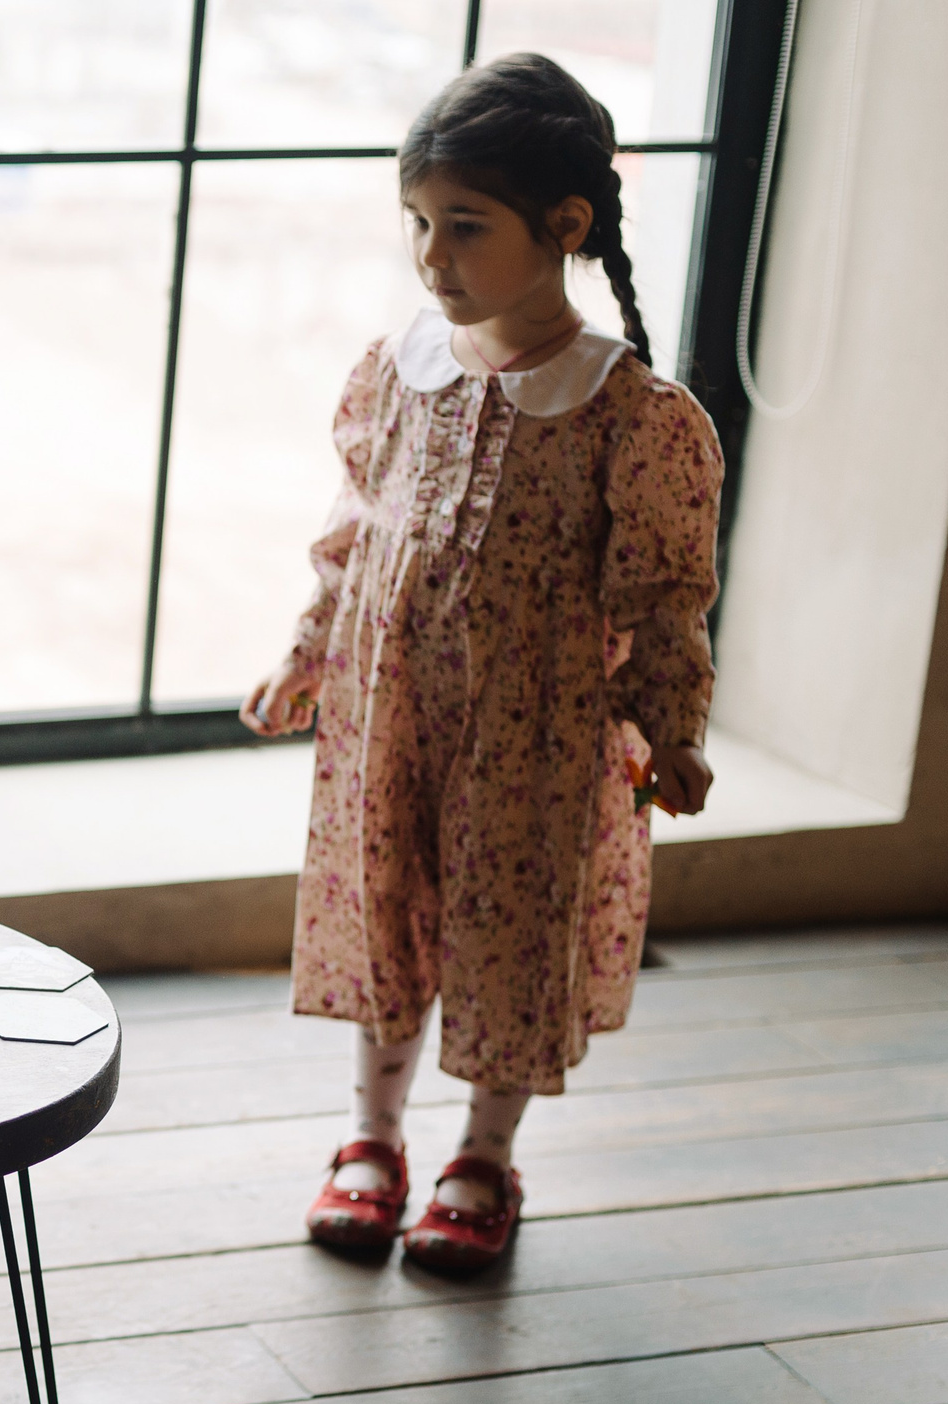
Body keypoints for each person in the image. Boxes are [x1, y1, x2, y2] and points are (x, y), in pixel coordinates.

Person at [238, 55, 722, 1274]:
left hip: (539, 740)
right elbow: (356, 534)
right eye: (417, 223)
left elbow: (665, 601)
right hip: (394, 713)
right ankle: (371, 1139)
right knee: (390, 917)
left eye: (464, 226)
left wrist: (671, 732)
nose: (431, 256)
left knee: (506, 939)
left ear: (562, 226)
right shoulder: (402, 370)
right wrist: (305, 654)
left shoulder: (630, 415)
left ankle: (484, 1158)